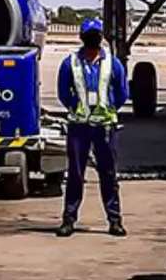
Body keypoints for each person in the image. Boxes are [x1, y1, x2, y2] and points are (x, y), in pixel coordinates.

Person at [55, 18, 129, 238]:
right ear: (82, 38)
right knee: (75, 174)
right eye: (89, 35)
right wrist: (75, 107)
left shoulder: (112, 63)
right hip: (79, 126)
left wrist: (108, 108)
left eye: (96, 35)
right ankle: (69, 219)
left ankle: (114, 220)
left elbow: (122, 92)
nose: (93, 39)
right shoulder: (70, 63)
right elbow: (63, 92)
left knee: (109, 174)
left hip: (104, 126)